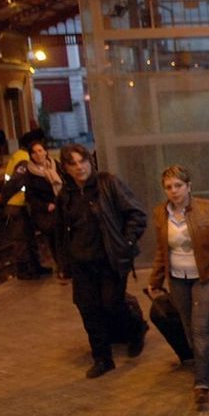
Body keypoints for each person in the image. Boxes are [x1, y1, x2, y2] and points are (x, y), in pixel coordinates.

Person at [146, 166, 209, 407]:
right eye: (169, 187)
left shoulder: (208, 209)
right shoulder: (160, 214)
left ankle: (202, 383)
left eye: (178, 185)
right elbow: (161, 250)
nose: (174, 191)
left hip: (204, 276)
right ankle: (208, 355)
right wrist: (154, 280)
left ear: (189, 186)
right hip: (176, 278)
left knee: (199, 327)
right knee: (188, 326)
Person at [57, 143, 148, 378]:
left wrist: (125, 244)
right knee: (88, 308)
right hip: (81, 263)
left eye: (82, 161)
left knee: (111, 304)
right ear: (65, 168)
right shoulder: (65, 195)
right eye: (73, 164)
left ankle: (137, 327)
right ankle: (102, 358)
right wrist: (63, 264)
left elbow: (137, 214)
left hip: (110, 259)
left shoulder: (108, 183)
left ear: (90, 161)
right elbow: (61, 232)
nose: (79, 168)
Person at [0, 132, 50, 280]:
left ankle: (34, 266)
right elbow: (15, 182)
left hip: (18, 203)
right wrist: (4, 197)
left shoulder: (18, 155)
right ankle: (24, 270)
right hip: (17, 204)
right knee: (22, 239)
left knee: (28, 237)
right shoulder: (23, 159)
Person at [23, 139, 66, 281]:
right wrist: (46, 206)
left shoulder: (55, 165)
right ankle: (62, 267)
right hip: (46, 213)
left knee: (66, 237)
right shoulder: (29, 173)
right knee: (55, 238)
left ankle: (68, 266)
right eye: (34, 152)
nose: (38, 154)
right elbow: (30, 196)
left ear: (46, 151)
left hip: (62, 206)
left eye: (40, 150)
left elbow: (65, 182)